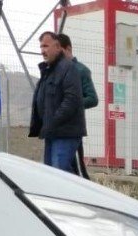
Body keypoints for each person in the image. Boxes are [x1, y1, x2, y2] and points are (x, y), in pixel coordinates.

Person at [29, 31, 86, 173]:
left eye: (46, 46)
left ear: (57, 47)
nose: (43, 51)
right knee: (51, 174)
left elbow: (71, 100)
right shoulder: (48, 70)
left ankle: (75, 195)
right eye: (41, 47)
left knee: (59, 173)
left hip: (65, 132)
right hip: (52, 132)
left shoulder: (68, 68)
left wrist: (53, 121)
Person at [57, 33, 99, 179]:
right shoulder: (54, 71)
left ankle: (90, 198)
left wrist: (71, 103)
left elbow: (93, 99)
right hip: (56, 128)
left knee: (78, 172)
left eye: (59, 51)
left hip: (72, 129)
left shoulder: (80, 70)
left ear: (68, 49)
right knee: (59, 170)